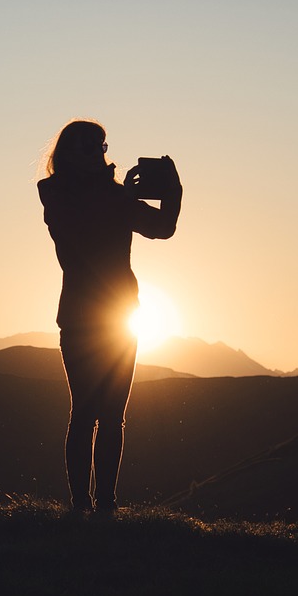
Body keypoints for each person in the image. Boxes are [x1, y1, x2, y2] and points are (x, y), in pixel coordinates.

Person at [37, 119, 182, 517]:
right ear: (68, 153)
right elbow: (79, 232)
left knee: (113, 415)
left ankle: (105, 506)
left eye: (102, 146)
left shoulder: (113, 196)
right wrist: (121, 198)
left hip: (119, 316)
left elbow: (162, 228)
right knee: (85, 412)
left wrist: (173, 191)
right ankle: (82, 505)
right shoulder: (54, 193)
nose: (101, 154)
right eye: (91, 148)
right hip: (85, 318)